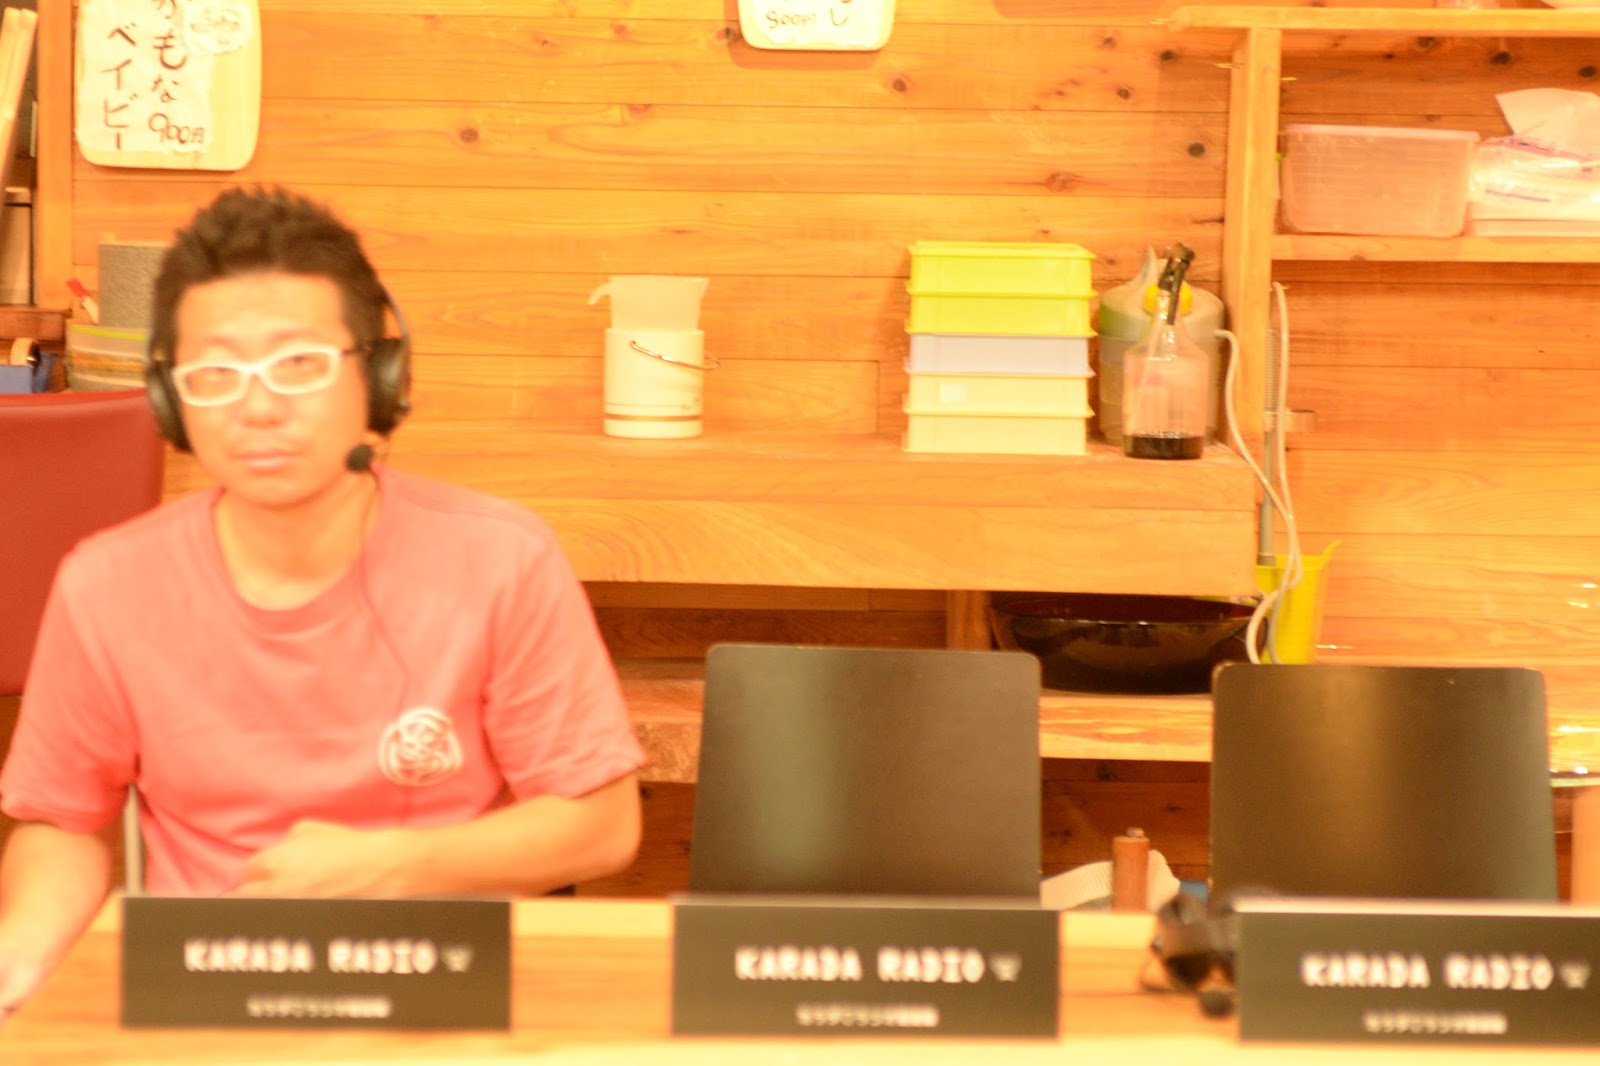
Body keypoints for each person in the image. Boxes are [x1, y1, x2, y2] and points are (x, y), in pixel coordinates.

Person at [0, 186, 646, 1022]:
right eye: (216, 373)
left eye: (298, 364)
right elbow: (61, 822)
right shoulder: (108, 585)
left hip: (444, 1001)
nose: (258, 408)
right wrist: (19, 957)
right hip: (213, 1001)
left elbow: (602, 825)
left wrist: (390, 865)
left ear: (378, 377)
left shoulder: (501, 560)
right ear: (170, 399)